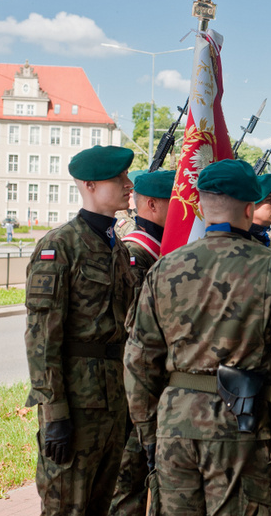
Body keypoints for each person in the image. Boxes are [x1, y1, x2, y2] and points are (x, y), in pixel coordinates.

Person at [124, 159, 271, 514]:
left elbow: (139, 360)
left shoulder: (165, 268)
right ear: (249, 208)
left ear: (199, 205)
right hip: (241, 427)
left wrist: (148, 431)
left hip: (175, 426)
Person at [24, 145, 137, 516]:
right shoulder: (59, 247)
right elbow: (42, 340)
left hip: (113, 401)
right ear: (89, 184)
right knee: (66, 507)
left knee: (100, 506)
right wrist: (54, 413)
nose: (128, 183)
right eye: (118, 177)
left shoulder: (116, 246)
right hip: (75, 404)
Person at [110, 169, 174, 516]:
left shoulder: (166, 251)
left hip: (158, 385)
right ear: (150, 204)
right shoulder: (137, 255)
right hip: (135, 389)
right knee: (130, 482)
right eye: (173, 201)